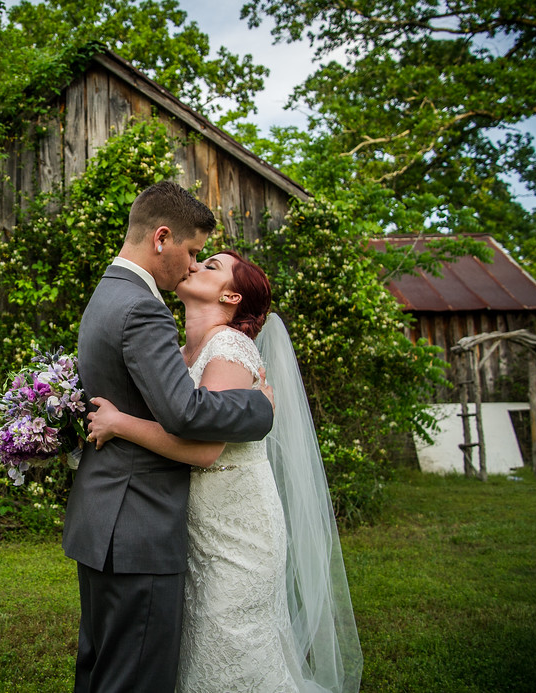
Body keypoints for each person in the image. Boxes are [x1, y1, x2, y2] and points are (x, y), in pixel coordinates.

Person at [86, 250, 363, 693]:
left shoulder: (230, 347)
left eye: (210, 266)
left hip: (239, 530)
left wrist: (120, 424)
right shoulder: (179, 351)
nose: (194, 265)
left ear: (231, 296)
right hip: (195, 526)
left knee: (233, 648)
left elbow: (205, 449)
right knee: (196, 649)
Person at [62, 182, 276, 693]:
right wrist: (259, 408)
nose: (192, 265)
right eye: (194, 251)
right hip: (138, 525)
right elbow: (183, 411)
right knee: (132, 678)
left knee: (101, 670)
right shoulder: (143, 307)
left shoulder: (107, 293)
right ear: (162, 238)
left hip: (106, 520)